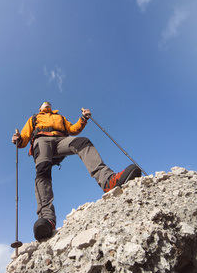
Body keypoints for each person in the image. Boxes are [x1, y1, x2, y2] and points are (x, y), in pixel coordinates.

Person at [11, 101, 141, 241]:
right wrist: (18, 139)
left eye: (48, 103)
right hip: (41, 140)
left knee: (82, 142)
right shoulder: (34, 118)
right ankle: (47, 219)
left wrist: (83, 119)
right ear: (40, 108)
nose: (46, 105)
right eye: (44, 104)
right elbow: (24, 137)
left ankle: (108, 180)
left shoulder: (60, 117)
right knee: (43, 171)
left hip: (61, 140)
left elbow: (73, 129)